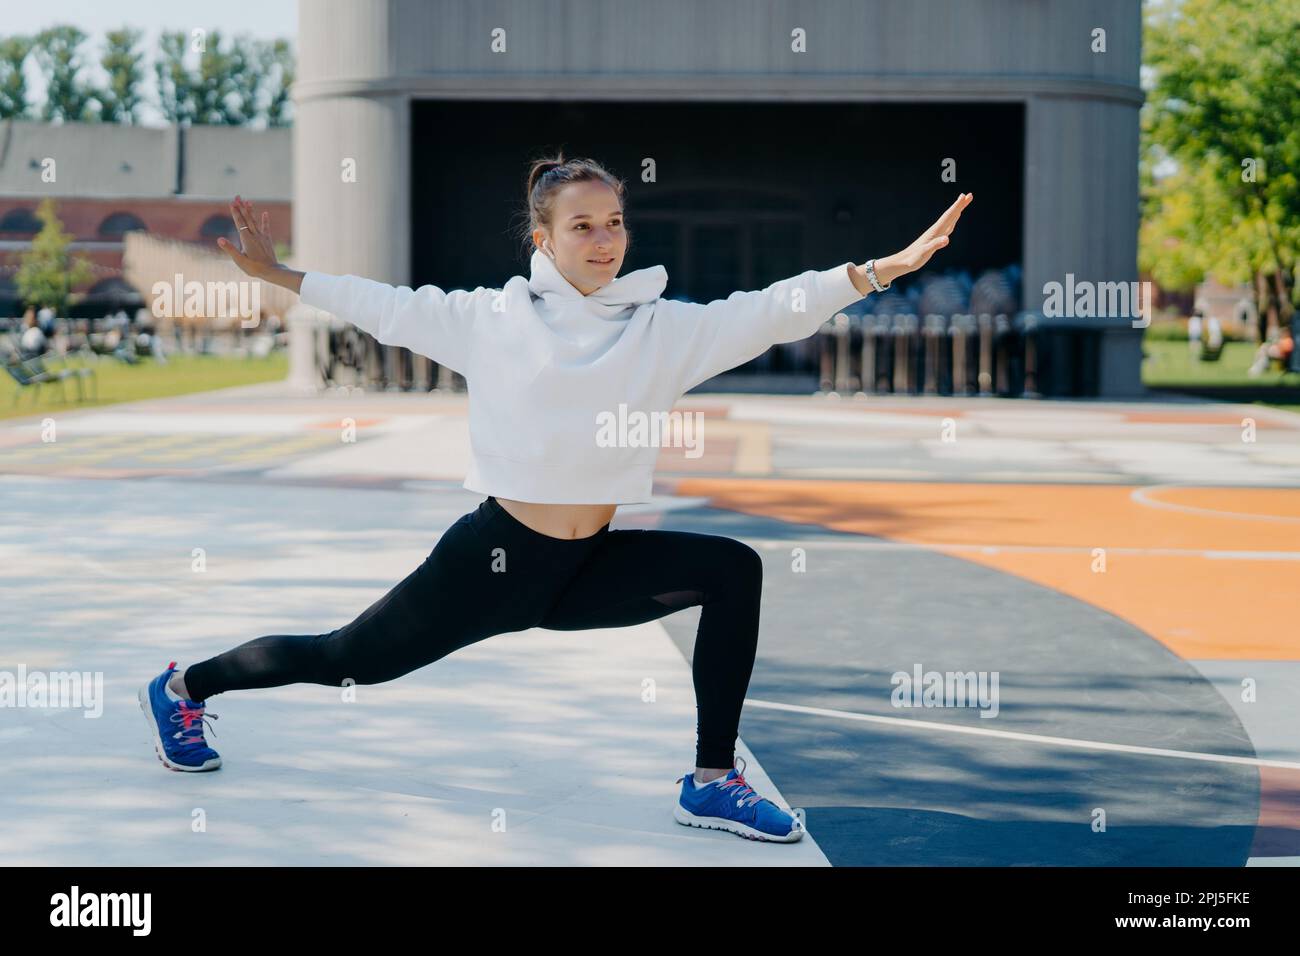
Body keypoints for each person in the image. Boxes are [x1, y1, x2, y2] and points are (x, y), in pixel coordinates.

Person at [139, 156, 971, 843]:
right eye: (582, 225)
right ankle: (185, 688)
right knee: (345, 659)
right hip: (492, 562)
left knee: (733, 570)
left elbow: (769, 312)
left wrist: (876, 272)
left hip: (588, 565)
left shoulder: (662, 327)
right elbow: (381, 307)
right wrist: (275, 273)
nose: (603, 239)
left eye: (613, 223)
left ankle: (712, 780)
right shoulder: (492, 320)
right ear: (543, 238)